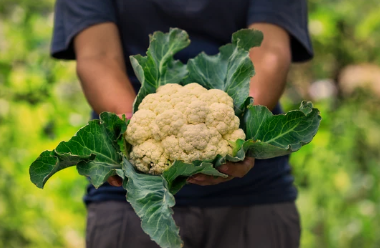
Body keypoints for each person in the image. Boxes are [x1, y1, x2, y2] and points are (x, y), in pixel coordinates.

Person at [51, 1, 313, 247]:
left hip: (254, 197)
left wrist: (240, 132)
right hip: (134, 201)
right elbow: (97, 56)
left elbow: (269, 51)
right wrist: (133, 132)